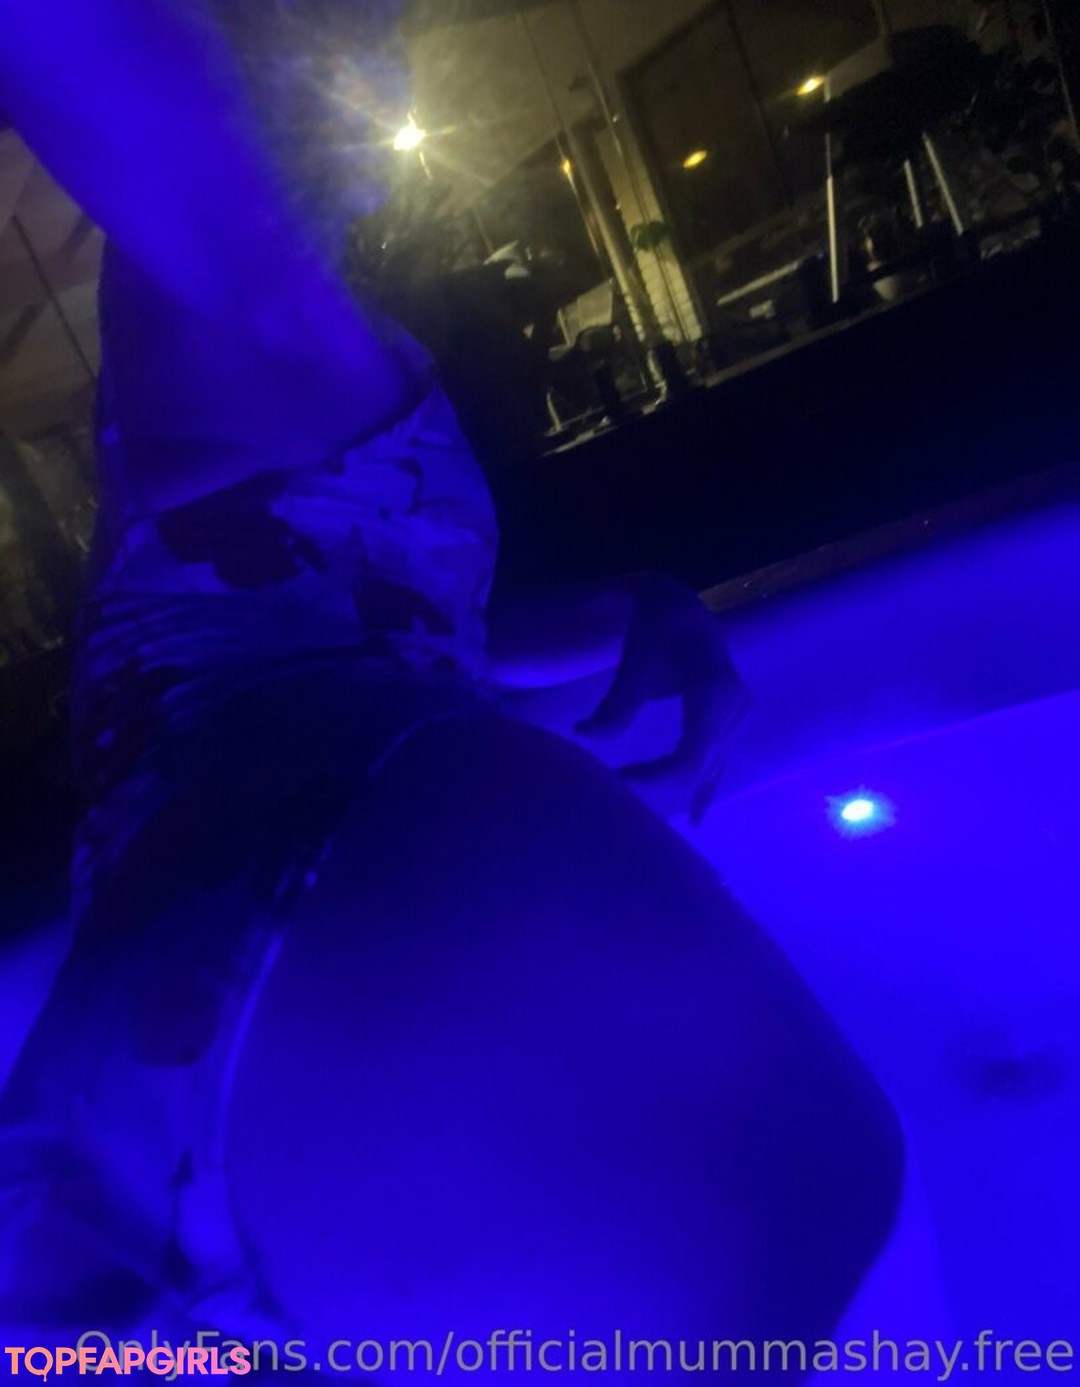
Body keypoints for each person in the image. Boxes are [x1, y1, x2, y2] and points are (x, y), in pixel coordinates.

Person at [0, 0, 903, 1376]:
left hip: (202, 1002)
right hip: (263, 964)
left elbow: (376, 627)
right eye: (343, 52)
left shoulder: (260, 332)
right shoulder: (253, 294)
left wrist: (628, 603)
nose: (373, 86)